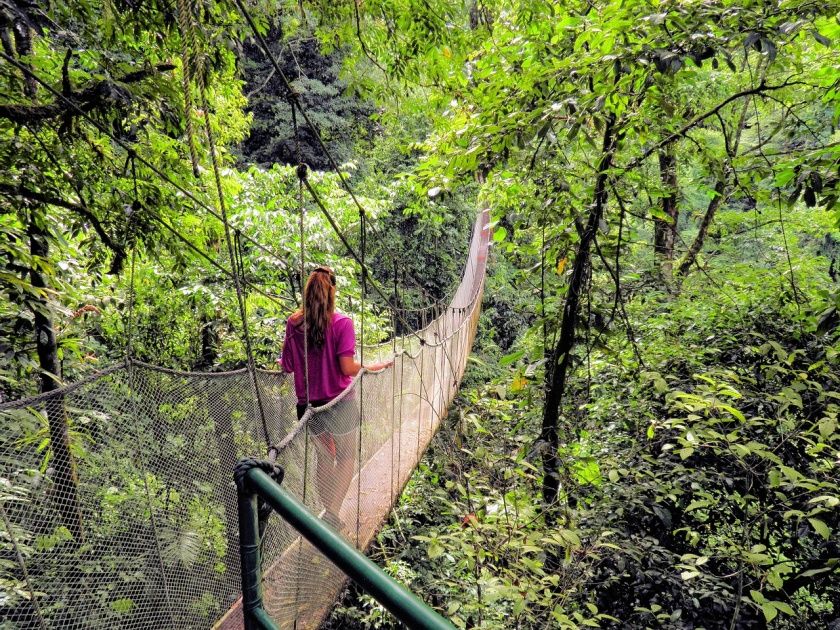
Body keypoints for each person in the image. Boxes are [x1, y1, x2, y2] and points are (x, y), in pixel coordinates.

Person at [279, 266, 392, 529]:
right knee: (346, 456)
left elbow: (287, 366)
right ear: (333, 292)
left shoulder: (294, 323)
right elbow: (347, 368)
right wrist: (376, 366)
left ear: (307, 292)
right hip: (340, 404)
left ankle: (327, 513)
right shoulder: (342, 324)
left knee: (324, 457)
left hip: (309, 407)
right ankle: (332, 512)